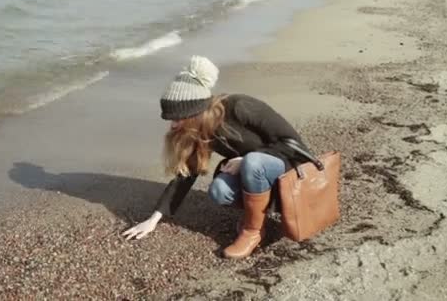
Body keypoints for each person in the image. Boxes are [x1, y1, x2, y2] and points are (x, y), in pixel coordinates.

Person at [122, 56, 311, 259]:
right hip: (256, 176)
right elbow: (186, 174)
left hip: (288, 168)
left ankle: (252, 232)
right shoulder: (198, 130)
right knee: (219, 190)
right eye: (171, 119)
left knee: (253, 162)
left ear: (194, 111)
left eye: (177, 118)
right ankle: (259, 217)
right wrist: (154, 219)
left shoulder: (240, 107)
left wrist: (246, 160)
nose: (173, 125)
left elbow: (293, 144)